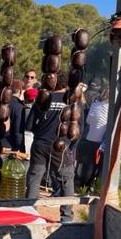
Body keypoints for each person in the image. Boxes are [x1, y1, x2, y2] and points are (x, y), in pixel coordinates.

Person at [25, 73, 79, 221]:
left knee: (34, 179)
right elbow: (77, 128)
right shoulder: (70, 101)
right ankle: (67, 217)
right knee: (66, 179)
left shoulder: (41, 99)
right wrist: (71, 145)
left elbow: (29, 126)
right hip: (60, 147)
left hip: (39, 145)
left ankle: (29, 213)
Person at [75, 86, 109, 189]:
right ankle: (89, 188)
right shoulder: (110, 108)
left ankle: (82, 186)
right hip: (100, 142)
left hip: (90, 137)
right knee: (96, 167)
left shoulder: (95, 104)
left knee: (87, 166)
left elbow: (88, 121)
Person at [2, 79, 26, 152]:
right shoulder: (19, 107)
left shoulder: (1, 103)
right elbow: (17, 130)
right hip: (10, 145)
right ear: (20, 90)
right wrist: (19, 147)